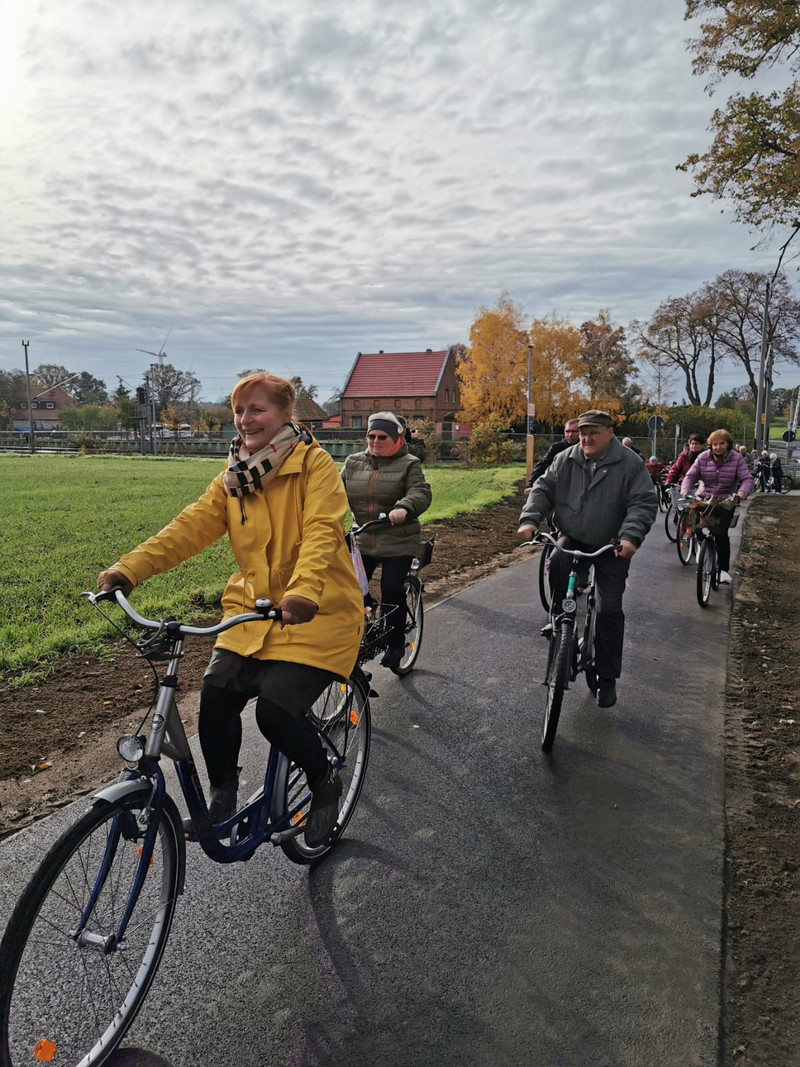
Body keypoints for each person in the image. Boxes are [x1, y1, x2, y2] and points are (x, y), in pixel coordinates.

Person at [97, 372, 365, 848]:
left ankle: (324, 782)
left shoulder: (314, 466)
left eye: (256, 409)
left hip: (316, 612)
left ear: (286, 414)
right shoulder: (233, 477)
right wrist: (128, 569)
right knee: (215, 700)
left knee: (275, 714)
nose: (244, 420)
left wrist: (303, 592)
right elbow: (189, 528)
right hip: (252, 612)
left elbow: (323, 531)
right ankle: (224, 792)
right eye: (238, 410)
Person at [518, 410, 658, 709]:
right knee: (556, 561)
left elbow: (643, 502)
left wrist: (630, 538)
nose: (586, 437)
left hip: (612, 544)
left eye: (593, 432)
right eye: (582, 431)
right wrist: (530, 519)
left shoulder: (629, 463)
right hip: (574, 534)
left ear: (610, 432)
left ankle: (606, 677)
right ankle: (560, 622)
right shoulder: (566, 458)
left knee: (609, 610)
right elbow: (543, 487)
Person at [341, 411, 432, 668]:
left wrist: (404, 506)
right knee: (348, 588)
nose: (375, 441)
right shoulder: (352, 462)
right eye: (371, 436)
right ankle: (364, 623)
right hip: (363, 536)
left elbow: (420, 491)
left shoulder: (409, 464)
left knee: (391, 588)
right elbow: (333, 492)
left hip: (398, 538)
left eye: (382, 436)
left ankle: (395, 643)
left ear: (396, 439)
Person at [680, 428, 753, 585]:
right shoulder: (703, 457)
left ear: (728, 444)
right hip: (704, 497)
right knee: (696, 527)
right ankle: (704, 547)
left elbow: (747, 478)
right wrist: (685, 489)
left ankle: (723, 571)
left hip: (726, 500)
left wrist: (742, 492)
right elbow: (691, 475)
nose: (718, 447)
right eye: (715, 444)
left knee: (720, 534)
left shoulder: (737, 458)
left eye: (722, 443)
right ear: (710, 445)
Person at [524, 418, 580, 493]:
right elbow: (543, 465)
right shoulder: (557, 448)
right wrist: (531, 485)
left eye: (574, 432)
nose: (570, 435)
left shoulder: (586, 449)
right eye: (567, 431)